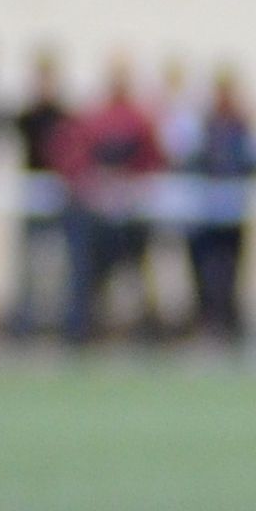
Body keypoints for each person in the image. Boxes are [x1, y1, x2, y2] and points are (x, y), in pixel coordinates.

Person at [61, 56, 163, 349]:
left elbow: (151, 161)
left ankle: (146, 335)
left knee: (137, 275)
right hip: (95, 216)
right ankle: (81, 332)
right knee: (87, 276)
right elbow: (73, 160)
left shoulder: (139, 118)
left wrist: (129, 188)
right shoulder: (93, 116)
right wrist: (95, 184)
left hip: (129, 215)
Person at [178, 68, 256, 350]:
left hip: (236, 211)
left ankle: (230, 326)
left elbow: (255, 162)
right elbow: (190, 161)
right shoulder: (204, 124)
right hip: (206, 212)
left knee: (232, 271)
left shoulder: (243, 125)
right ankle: (208, 324)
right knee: (205, 270)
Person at [6, 45, 78, 338]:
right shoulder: (27, 116)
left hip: (57, 195)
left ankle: (61, 325)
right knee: (27, 264)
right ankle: (23, 325)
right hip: (32, 195)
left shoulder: (64, 115)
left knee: (61, 264)